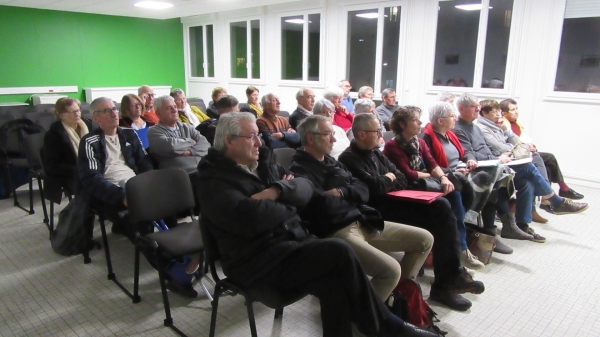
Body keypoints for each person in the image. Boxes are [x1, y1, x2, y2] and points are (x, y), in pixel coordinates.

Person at [196, 112, 438, 337]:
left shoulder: (264, 164)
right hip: (256, 262)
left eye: (259, 136)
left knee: (335, 285)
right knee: (338, 250)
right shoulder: (213, 180)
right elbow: (252, 220)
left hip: (288, 245)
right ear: (229, 141)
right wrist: (288, 199)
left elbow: (304, 189)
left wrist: (276, 191)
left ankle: (379, 325)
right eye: (252, 137)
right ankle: (386, 326)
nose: (259, 143)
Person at [340, 113, 486, 311]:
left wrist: (387, 179)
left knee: (442, 206)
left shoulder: (376, 153)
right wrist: (386, 179)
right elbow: (371, 189)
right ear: (362, 134)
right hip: (375, 210)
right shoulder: (349, 158)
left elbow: (401, 178)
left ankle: (448, 279)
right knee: (440, 213)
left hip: (392, 201)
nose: (381, 135)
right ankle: (446, 281)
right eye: (376, 131)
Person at [289, 115, 434, 302]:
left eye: (333, 134)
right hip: (337, 230)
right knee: (390, 270)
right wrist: (351, 193)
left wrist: (341, 192)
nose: (334, 139)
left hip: (361, 220)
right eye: (328, 134)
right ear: (310, 138)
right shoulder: (300, 170)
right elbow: (324, 206)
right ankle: (365, 321)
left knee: (424, 239)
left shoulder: (332, 162)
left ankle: (396, 297)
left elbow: (364, 190)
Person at [453, 94, 588, 242]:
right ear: (461, 108)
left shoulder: (475, 126)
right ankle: (555, 201)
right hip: (482, 170)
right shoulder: (460, 128)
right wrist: (498, 158)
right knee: (527, 167)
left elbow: (488, 149)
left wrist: (499, 156)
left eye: (478, 106)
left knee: (526, 182)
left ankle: (521, 225)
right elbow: (469, 153)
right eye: (474, 106)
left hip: (494, 163)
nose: (478, 109)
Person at [382, 106, 490, 269]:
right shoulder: (392, 146)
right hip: (408, 188)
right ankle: (457, 249)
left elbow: (432, 163)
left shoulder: (420, 142)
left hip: (424, 181)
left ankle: (460, 248)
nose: (420, 123)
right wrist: (436, 176)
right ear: (402, 124)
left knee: (453, 193)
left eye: (420, 119)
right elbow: (409, 174)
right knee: (447, 203)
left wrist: (443, 177)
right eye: (415, 120)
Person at [422, 101, 527, 255]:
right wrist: (454, 170)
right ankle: (464, 245)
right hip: (447, 175)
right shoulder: (428, 138)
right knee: (484, 185)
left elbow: (465, 152)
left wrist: (470, 159)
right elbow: (430, 165)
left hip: (461, 171)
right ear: (440, 121)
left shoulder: (450, 134)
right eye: (452, 116)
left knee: (496, 183)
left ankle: (488, 232)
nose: (455, 119)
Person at [78, 97, 152, 237]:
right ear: (95, 118)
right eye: (107, 111)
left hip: (135, 184)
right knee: (138, 222)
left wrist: (148, 182)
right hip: (111, 191)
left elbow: (144, 161)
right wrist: (121, 196)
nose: (114, 113)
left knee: (167, 205)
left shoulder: (129, 133)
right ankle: (161, 256)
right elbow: (91, 178)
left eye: (114, 109)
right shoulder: (89, 142)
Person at [500, 98, 584, 205]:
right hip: (516, 155)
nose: (516, 112)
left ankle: (555, 192)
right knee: (546, 159)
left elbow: (522, 139)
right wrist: (527, 147)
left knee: (548, 162)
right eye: (512, 110)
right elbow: (512, 142)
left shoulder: (517, 124)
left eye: (517, 109)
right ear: (504, 113)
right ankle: (553, 193)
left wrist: (531, 146)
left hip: (524, 151)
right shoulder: (504, 124)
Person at [477, 100, 549, 224]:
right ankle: (551, 197)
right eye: (494, 112)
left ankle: (523, 223)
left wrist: (507, 131)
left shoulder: (498, 125)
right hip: (496, 164)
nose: (499, 115)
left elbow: (517, 143)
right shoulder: (482, 127)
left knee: (528, 182)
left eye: (499, 111)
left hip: (505, 160)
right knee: (528, 167)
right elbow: (500, 147)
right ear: (484, 113)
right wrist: (516, 149)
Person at [43, 97, 93, 203]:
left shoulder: (88, 125)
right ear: (61, 115)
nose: (77, 114)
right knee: (95, 184)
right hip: (69, 173)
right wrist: (80, 169)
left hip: (90, 167)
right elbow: (53, 165)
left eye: (78, 110)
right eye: (72, 111)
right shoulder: (54, 135)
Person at [147, 95, 210, 171]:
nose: (175, 110)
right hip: (179, 175)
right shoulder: (154, 132)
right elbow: (172, 146)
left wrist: (190, 151)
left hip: (202, 169)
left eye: (175, 107)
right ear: (158, 114)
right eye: (169, 108)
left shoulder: (186, 127)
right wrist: (191, 141)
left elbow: (206, 144)